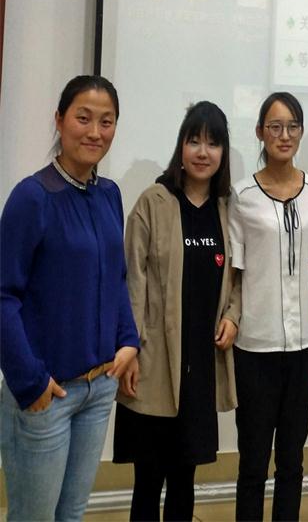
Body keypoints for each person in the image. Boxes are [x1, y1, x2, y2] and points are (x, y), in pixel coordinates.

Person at [0, 75, 140, 521]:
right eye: (83, 118)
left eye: (106, 121)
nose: (95, 132)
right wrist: (31, 382)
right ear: (59, 120)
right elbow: (3, 295)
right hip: (47, 394)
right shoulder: (32, 197)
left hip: (98, 389)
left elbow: (116, 277)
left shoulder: (109, 194)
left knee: (73, 513)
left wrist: (128, 340)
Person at [112, 101, 240, 521]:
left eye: (213, 143)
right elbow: (132, 280)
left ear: (223, 153)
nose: (203, 152)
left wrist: (232, 316)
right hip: (154, 364)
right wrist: (131, 347)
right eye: (194, 140)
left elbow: (239, 277)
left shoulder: (227, 209)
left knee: (185, 481)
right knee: (149, 480)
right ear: (181, 146)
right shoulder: (154, 202)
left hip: (200, 369)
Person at [228, 92, 308, 521]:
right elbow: (234, 274)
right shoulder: (241, 196)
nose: (284, 135)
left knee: (292, 461)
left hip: (304, 346)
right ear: (260, 132)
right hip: (255, 348)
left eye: (292, 126)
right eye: (275, 127)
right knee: (253, 462)